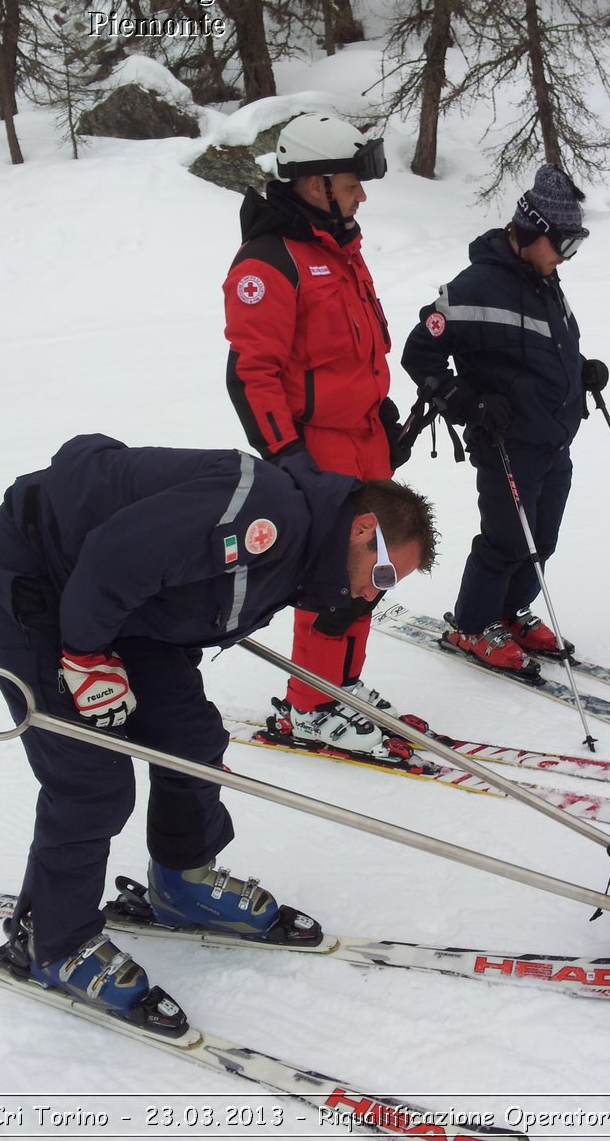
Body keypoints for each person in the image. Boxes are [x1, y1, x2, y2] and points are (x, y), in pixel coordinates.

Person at [0, 433, 436, 1028]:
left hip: (116, 604)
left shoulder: (307, 552)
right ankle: (52, 943)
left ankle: (181, 881)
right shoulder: (273, 519)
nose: (372, 594)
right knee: (90, 779)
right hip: (32, 576)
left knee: (190, 740)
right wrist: (84, 658)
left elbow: (190, 592)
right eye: (383, 574)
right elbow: (115, 555)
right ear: (364, 530)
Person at [223, 113, 409, 760]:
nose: (362, 195)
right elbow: (253, 373)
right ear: (314, 183)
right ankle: (311, 706)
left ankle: (343, 686)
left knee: (374, 573)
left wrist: (381, 411)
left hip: (364, 440)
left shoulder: (340, 249)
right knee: (335, 579)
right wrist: (289, 457)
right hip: (318, 450)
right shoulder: (268, 263)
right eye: (353, 182)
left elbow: (357, 352)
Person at [402, 163, 609, 678]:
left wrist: (581, 371)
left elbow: (545, 348)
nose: (566, 256)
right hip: (506, 440)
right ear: (534, 231)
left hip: (553, 437)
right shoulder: (474, 287)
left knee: (543, 538)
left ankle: (511, 614)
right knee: (507, 541)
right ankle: (472, 624)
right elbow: (419, 353)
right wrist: (465, 402)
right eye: (564, 244)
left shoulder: (546, 281)